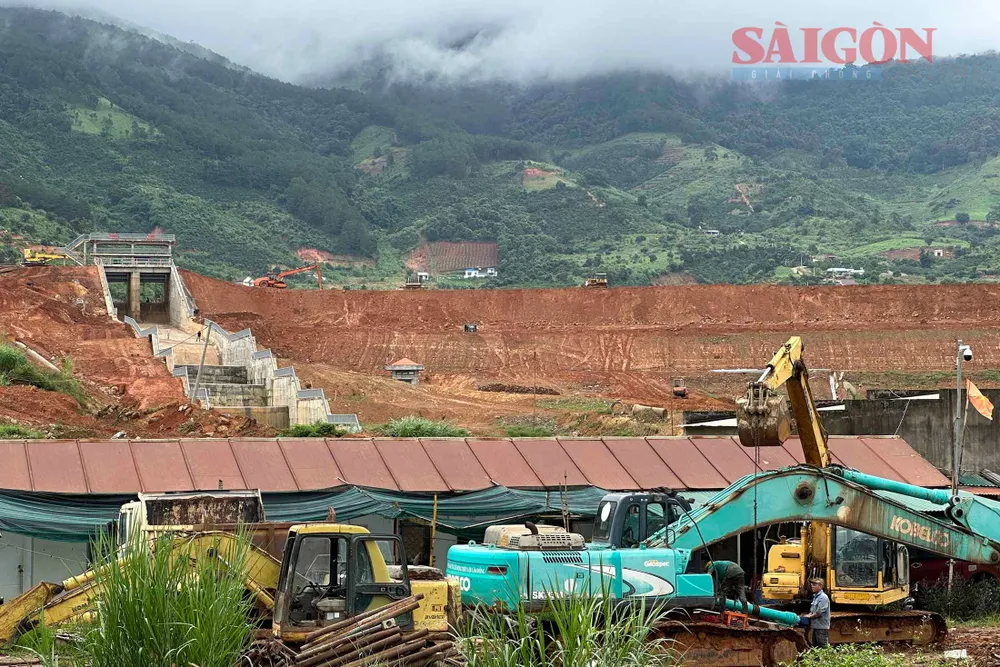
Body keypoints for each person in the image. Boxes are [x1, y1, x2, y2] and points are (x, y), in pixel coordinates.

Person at [800, 577, 831, 647]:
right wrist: (806, 615)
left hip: (821, 628)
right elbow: (813, 611)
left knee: (822, 646)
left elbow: (819, 613)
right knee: (816, 646)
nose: (812, 586)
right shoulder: (816, 597)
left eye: (814, 584)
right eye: (812, 584)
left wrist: (809, 616)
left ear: (820, 586)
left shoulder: (823, 597)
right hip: (816, 626)